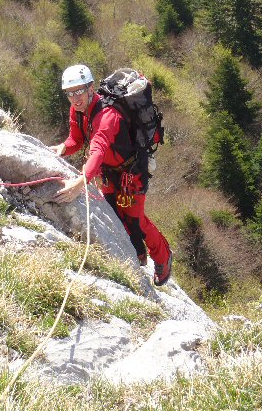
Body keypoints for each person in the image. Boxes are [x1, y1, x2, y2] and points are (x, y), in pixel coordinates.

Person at [50, 64, 172, 286]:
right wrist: (62, 149)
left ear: (90, 88)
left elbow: (98, 149)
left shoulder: (108, 116)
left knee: (135, 220)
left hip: (131, 171)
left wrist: (80, 183)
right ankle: (138, 255)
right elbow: (76, 140)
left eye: (79, 91)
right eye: (70, 93)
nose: (75, 98)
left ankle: (163, 257)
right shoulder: (77, 111)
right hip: (108, 172)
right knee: (115, 214)